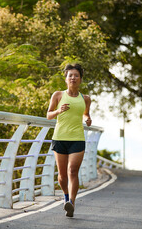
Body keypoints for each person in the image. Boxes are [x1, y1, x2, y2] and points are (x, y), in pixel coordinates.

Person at [47, 63, 92, 217]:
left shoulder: (85, 98)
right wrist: (58, 110)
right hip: (59, 138)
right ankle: (66, 197)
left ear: (80, 79)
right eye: (70, 75)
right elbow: (48, 115)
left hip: (77, 139)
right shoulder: (58, 95)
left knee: (73, 170)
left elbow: (85, 114)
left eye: (76, 75)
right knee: (62, 175)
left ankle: (71, 203)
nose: (73, 78)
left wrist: (87, 119)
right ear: (66, 78)